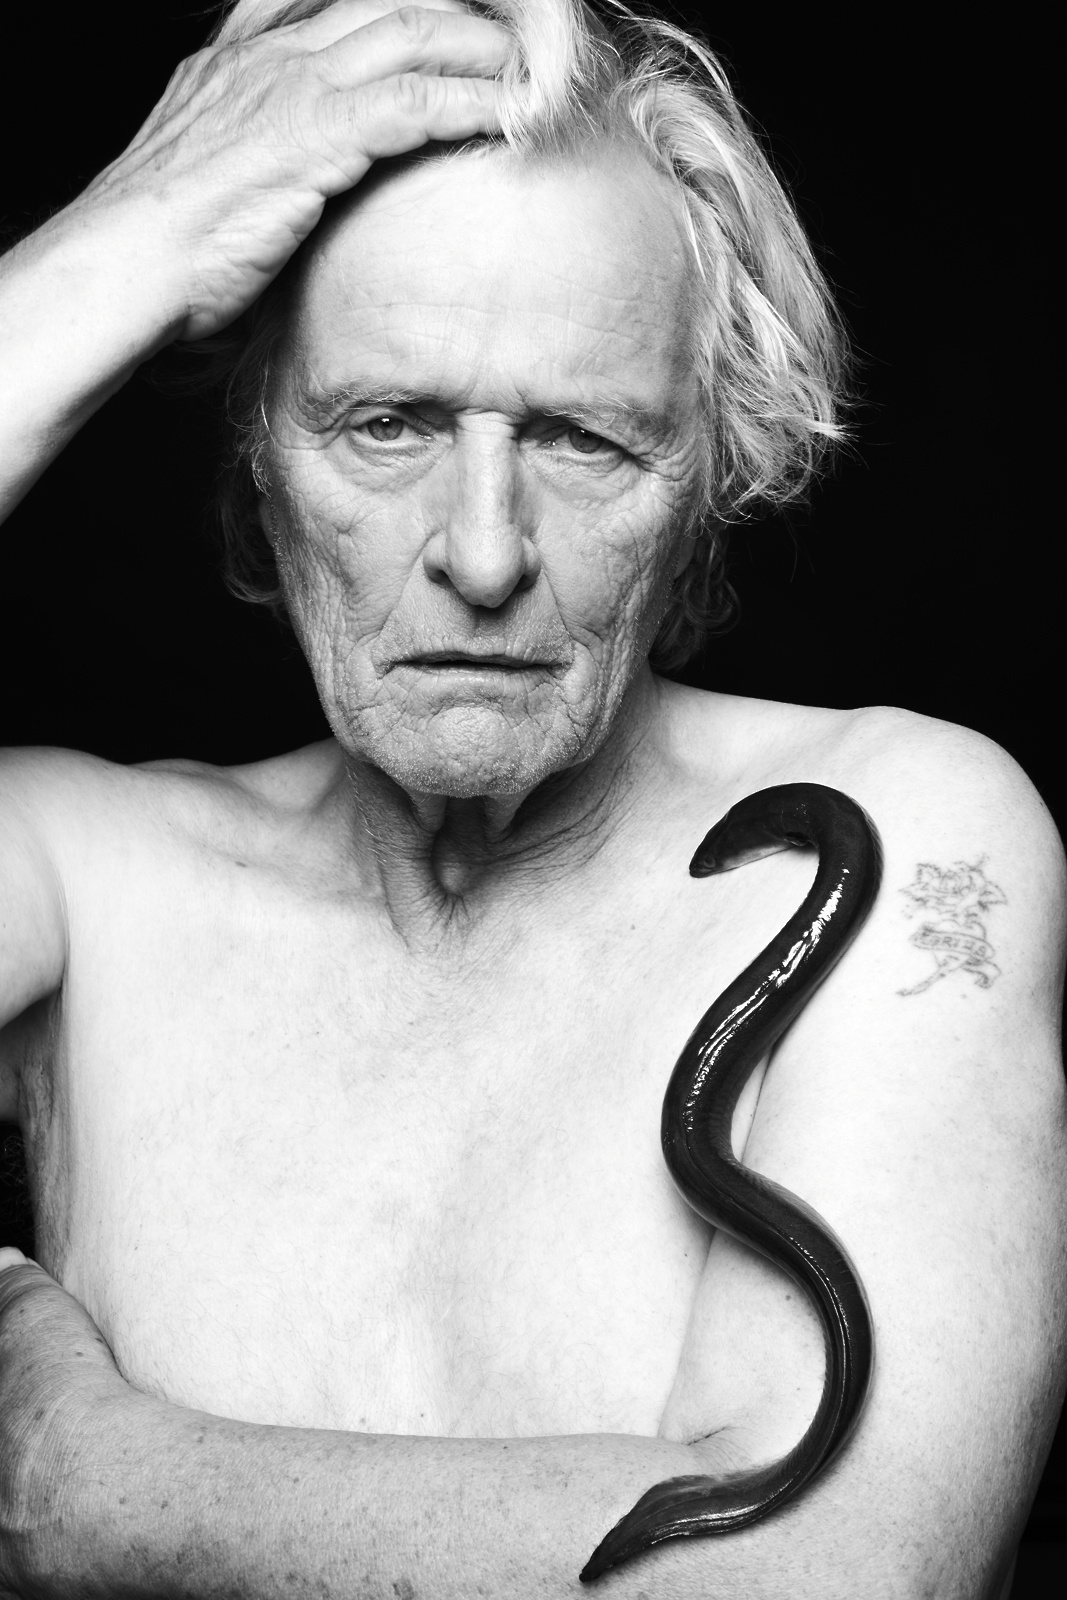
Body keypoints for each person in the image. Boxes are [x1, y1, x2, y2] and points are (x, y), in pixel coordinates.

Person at [0, 1, 1064, 1595]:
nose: (485, 552)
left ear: (711, 477)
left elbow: (839, 1572)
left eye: (583, 439)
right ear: (257, 457)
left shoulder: (900, 837)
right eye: (387, 425)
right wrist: (121, 247)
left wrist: (95, 1489)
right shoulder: (76, 879)